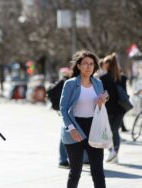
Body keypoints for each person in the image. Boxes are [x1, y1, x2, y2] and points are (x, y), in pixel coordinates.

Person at [60, 50, 107, 188]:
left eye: (91, 64)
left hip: (94, 126)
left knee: (98, 170)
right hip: (75, 126)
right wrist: (71, 129)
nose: (88, 66)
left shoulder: (98, 83)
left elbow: (103, 96)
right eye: (85, 63)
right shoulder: (70, 84)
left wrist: (104, 99)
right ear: (79, 66)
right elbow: (63, 109)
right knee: (75, 171)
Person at [100, 53, 127, 163]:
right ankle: (114, 153)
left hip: (108, 110)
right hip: (120, 110)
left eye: (104, 63)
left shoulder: (103, 78)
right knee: (115, 131)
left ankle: (112, 152)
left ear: (108, 65)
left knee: (106, 132)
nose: (103, 65)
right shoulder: (122, 78)